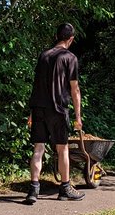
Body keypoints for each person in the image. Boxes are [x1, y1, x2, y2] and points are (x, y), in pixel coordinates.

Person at [24, 23, 85, 204]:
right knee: (62, 148)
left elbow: (36, 86)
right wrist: (78, 117)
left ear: (56, 36)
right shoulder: (70, 57)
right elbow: (75, 89)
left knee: (38, 149)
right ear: (71, 39)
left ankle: (33, 190)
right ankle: (65, 188)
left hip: (39, 108)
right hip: (58, 109)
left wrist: (32, 112)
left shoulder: (44, 56)